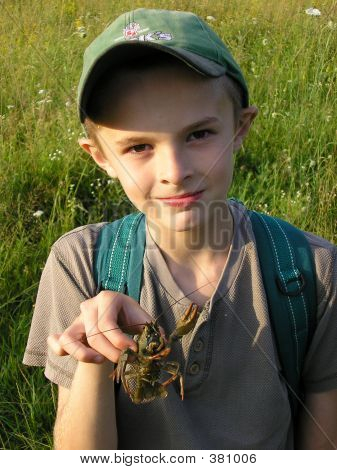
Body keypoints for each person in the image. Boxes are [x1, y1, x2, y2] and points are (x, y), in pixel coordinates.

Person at [23, 8, 337, 450]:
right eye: (139, 146)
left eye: (198, 135)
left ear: (240, 128)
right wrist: (93, 355)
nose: (175, 172)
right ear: (100, 157)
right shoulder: (81, 263)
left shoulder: (314, 271)